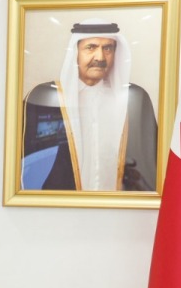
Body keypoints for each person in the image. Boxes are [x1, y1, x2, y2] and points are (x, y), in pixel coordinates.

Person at [22, 19, 158, 191]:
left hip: (119, 209)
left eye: (108, 48)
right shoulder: (44, 97)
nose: (100, 57)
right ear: (75, 52)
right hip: (62, 208)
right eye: (91, 47)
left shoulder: (135, 99)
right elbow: (30, 164)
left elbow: (149, 163)